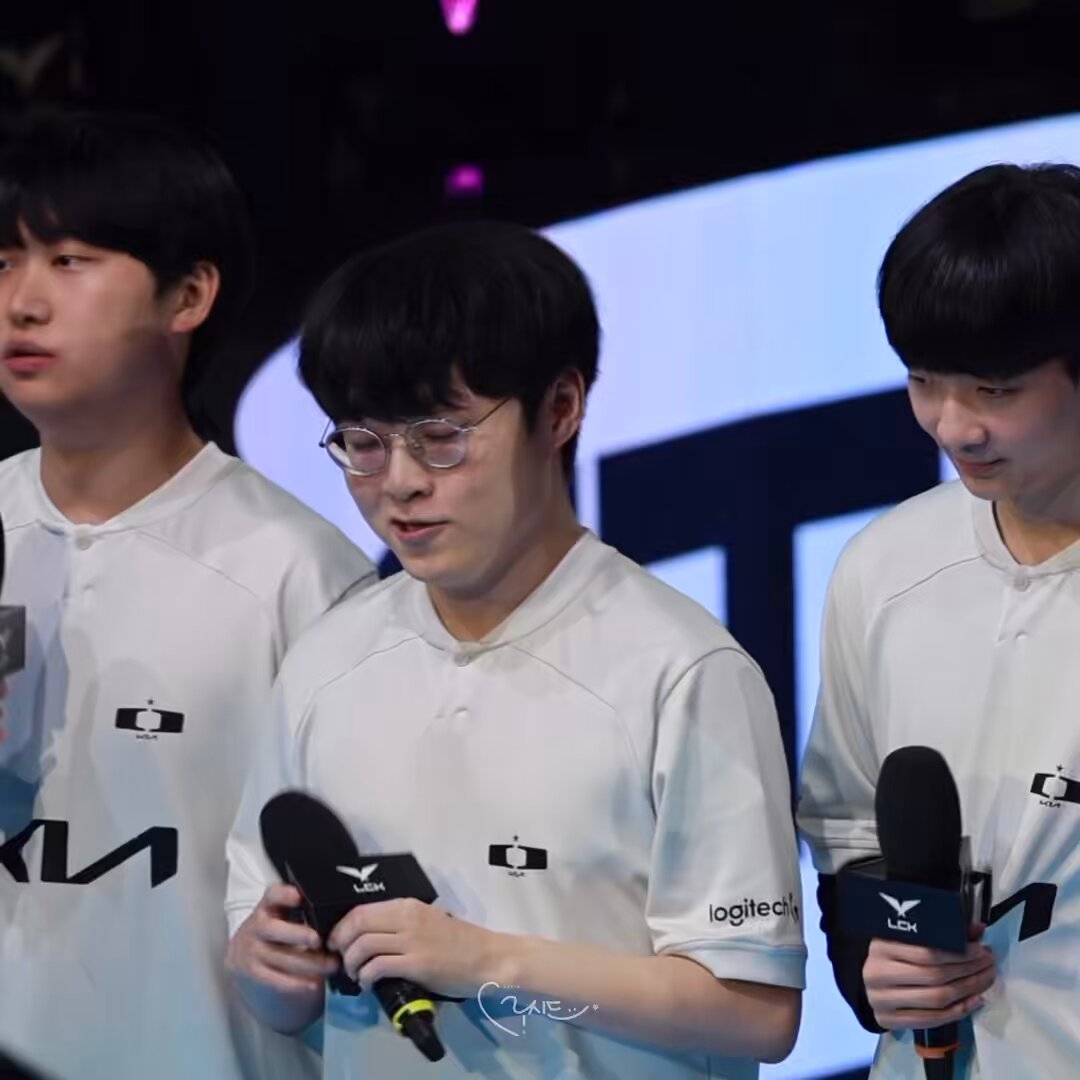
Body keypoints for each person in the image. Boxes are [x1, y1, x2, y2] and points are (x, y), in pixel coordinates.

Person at [224, 220, 806, 1079]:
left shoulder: (681, 670)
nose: (399, 483)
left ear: (561, 408)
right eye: (363, 442)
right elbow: (275, 986)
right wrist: (265, 967)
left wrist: (491, 964)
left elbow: (755, 1012)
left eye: (441, 436)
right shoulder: (325, 659)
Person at [0, 109, 376, 1080]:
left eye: (69, 262)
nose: (21, 303)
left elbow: (367, 914)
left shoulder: (296, 574)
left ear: (190, 295)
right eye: (4, 263)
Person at [798, 163, 1080, 1078]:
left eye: (995, 391)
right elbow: (848, 834)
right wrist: (873, 966)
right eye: (924, 381)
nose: (953, 427)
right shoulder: (883, 567)